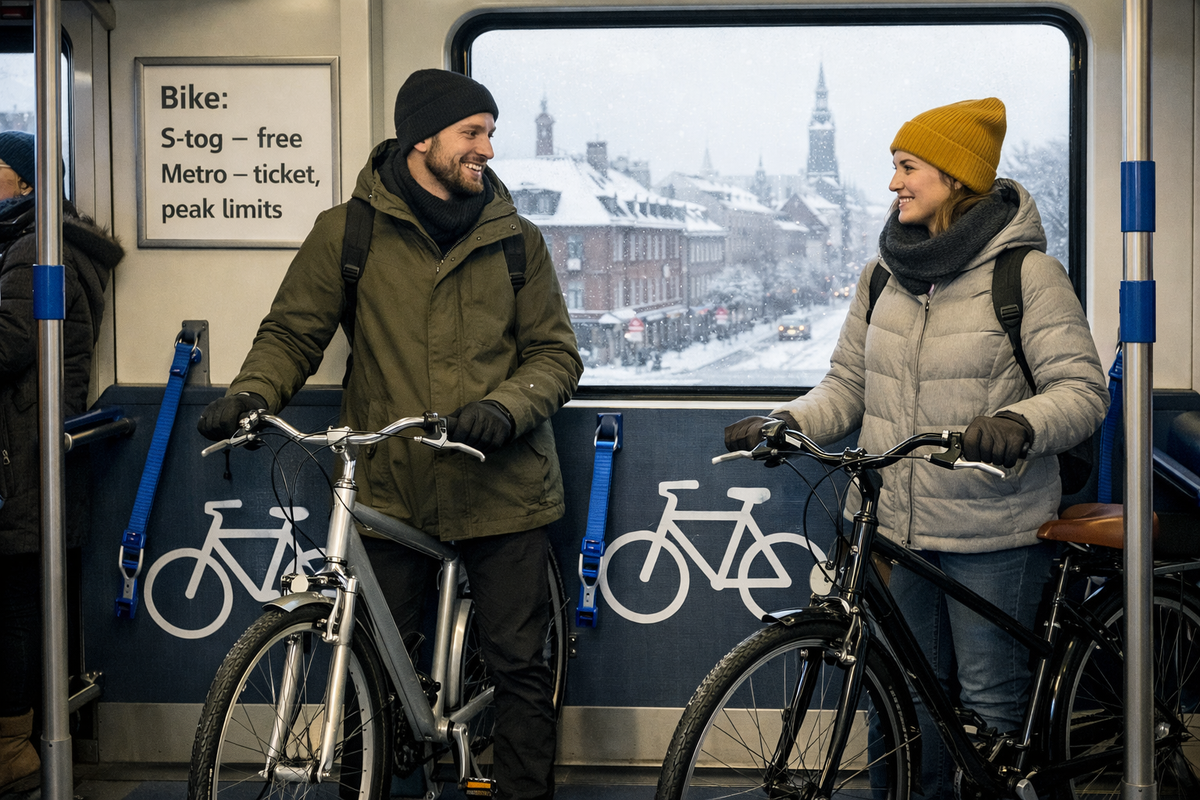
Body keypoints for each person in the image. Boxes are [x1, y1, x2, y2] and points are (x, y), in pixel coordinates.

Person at [197, 69, 582, 800]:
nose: (488, 149)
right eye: (473, 133)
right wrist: (251, 392)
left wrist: (503, 408)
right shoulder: (349, 232)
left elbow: (556, 355)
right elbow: (293, 332)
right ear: (423, 139)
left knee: (518, 669)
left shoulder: (515, 241)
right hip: (394, 485)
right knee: (362, 667)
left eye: (491, 133)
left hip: (504, 485)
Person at [724, 98, 1108, 799]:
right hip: (894, 528)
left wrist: (1017, 424)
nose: (894, 184)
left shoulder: (1025, 276)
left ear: (956, 178)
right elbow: (846, 386)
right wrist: (786, 419)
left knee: (989, 713)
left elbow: (1081, 391)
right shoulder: (881, 277)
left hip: (989, 529)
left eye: (907, 168)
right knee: (901, 709)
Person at [0, 130, 123, 795]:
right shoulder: (35, 245)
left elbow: (16, 340)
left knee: (15, 607)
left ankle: (14, 751)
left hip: (21, 454)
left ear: (24, 184)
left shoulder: (36, 251)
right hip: (26, 451)